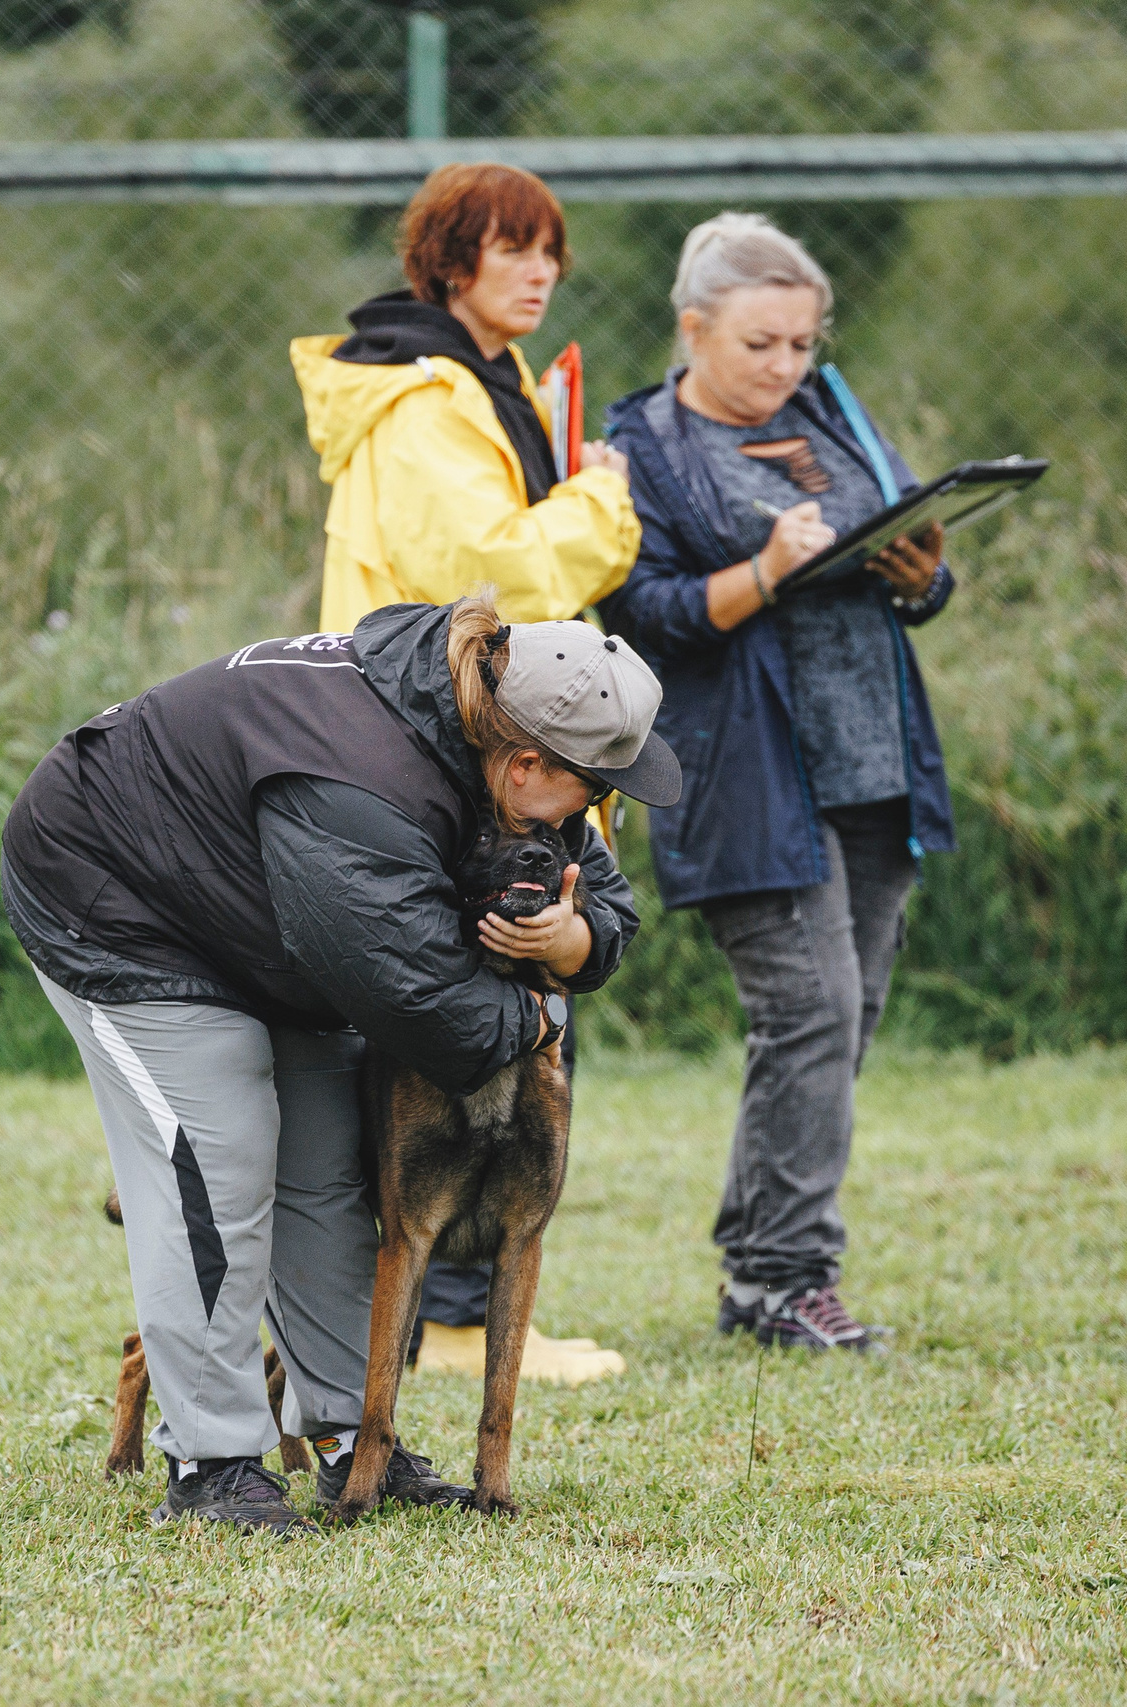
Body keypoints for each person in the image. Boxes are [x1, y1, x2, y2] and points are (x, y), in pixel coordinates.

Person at [0, 596, 677, 1532]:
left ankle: (352, 1438)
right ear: (526, 765)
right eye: (595, 792)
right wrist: (542, 1012)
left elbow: (605, 904)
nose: (594, 815)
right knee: (220, 1155)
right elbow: (425, 1003)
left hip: (260, 915)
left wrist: (574, 939)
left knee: (324, 1160)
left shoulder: (493, 736)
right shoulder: (363, 777)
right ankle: (211, 1463)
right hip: (116, 894)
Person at [292, 161, 642, 1385]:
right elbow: (483, 586)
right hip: (440, 760)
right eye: (511, 249)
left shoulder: (486, 385)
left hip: (473, 752)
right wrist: (602, 505)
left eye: (550, 251)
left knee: (515, 1000)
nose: (540, 272)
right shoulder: (429, 400)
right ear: (448, 263)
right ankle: (446, 1319)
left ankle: (459, 1310)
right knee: (467, 1015)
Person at [598, 212, 957, 1353]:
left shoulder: (831, 414)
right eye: (761, 344)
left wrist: (925, 575)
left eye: (803, 343)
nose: (785, 366)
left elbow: (917, 560)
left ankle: (759, 1275)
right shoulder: (641, 448)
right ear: (693, 328)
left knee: (837, 1026)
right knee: (811, 1014)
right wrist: (760, 572)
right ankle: (789, 1277)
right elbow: (639, 611)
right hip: (746, 777)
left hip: (873, 763)